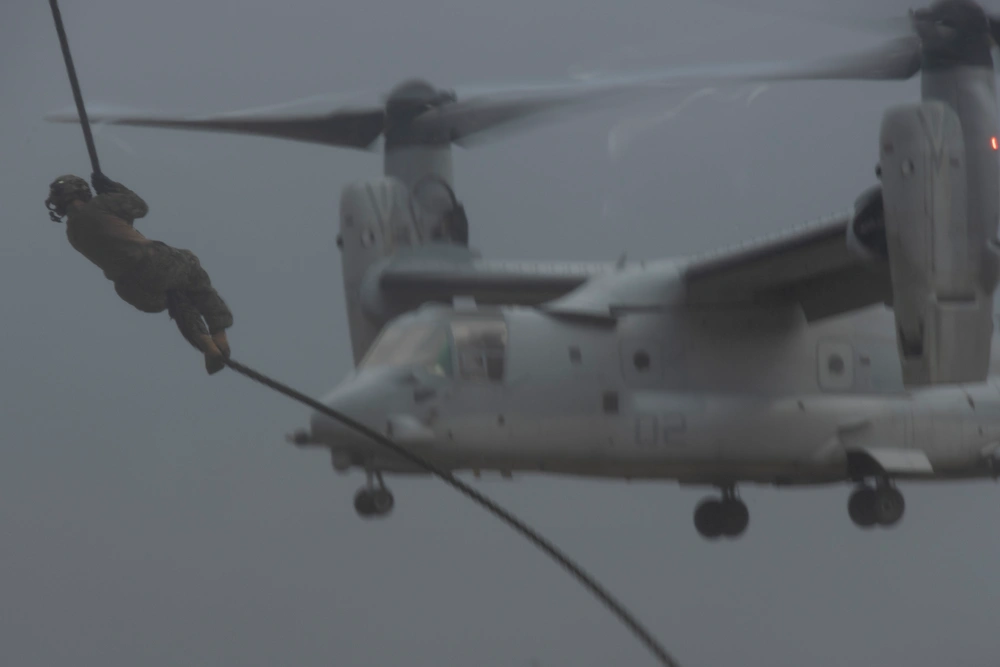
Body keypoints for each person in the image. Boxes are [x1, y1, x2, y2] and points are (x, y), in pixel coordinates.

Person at [45, 172, 233, 374]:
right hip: (152, 263)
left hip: (133, 289)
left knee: (176, 298)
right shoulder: (99, 205)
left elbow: (115, 229)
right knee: (192, 269)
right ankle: (219, 333)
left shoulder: (72, 234)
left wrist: (111, 197)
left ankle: (207, 346)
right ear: (82, 191)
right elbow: (140, 207)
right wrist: (114, 188)